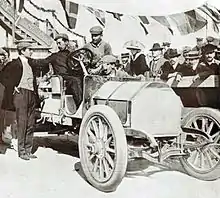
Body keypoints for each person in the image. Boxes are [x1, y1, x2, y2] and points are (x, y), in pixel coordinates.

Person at [0, 39, 38, 160]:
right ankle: (21, 151)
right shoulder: (14, 64)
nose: (31, 52)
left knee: (31, 123)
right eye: (29, 49)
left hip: (32, 94)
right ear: (22, 51)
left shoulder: (31, 63)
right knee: (23, 122)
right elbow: (2, 77)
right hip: (21, 94)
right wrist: (13, 86)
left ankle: (28, 150)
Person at [29, 33, 83, 108]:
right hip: (63, 79)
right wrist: (29, 60)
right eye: (57, 43)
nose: (58, 46)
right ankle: (80, 106)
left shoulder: (74, 55)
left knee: (84, 79)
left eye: (60, 43)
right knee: (75, 80)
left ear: (66, 42)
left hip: (71, 78)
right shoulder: (55, 56)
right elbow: (42, 62)